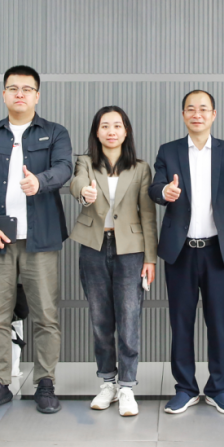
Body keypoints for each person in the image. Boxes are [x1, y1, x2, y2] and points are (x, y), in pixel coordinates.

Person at [0, 65, 73, 414]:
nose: (20, 94)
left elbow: (65, 167)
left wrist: (40, 181)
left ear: (37, 95)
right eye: (13, 88)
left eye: (27, 89)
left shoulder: (54, 132)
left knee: (46, 315)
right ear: (4, 94)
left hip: (41, 238)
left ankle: (45, 383)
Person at [149, 90, 224, 415]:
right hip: (181, 252)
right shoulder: (169, 151)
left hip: (218, 251)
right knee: (181, 322)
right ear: (183, 115)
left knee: (218, 323)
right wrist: (165, 191)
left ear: (214, 115)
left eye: (203, 109)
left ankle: (218, 389)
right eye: (190, 109)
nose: (197, 114)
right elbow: (155, 187)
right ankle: (186, 388)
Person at [70, 106, 158, 417]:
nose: (111, 131)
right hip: (94, 247)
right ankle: (107, 382)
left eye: (117, 125)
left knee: (129, 318)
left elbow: (148, 215)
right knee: (100, 319)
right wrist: (85, 193)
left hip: (131, 251)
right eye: (105, 126)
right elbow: (77, 183)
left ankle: (127, 387)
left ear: (126, 131)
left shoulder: (141, 168)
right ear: (96, 132)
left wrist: (150, 258)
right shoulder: (85, 162)